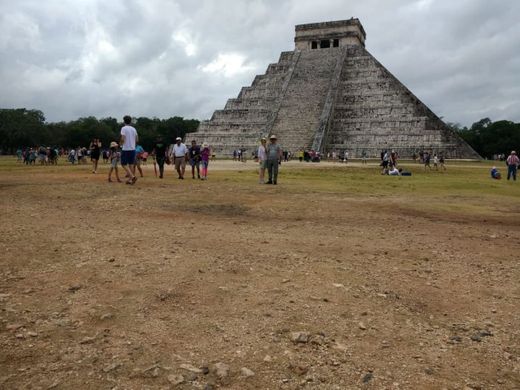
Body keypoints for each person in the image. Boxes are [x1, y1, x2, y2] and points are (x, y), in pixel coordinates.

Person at [119, 115, 138, 184]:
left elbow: (123, 138)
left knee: (123, 164)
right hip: (133, 149)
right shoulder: (134, 129)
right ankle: (130, 180)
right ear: (130, 121)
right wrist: (133, 145)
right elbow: (137, 139)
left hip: (125, 149)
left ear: (124, 121)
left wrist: (120, 144)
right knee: (131, 164)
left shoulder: (123, 128)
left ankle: (132, 177)